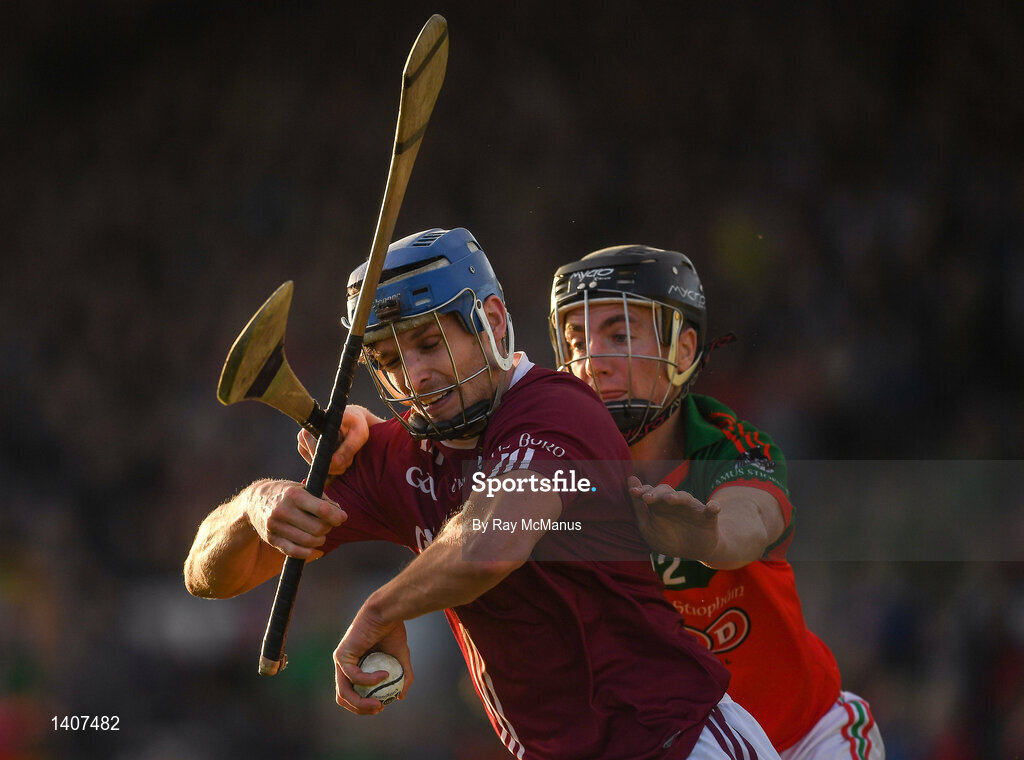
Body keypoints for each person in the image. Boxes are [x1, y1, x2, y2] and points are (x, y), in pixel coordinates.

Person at [185, 227, 780, 760]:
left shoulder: (557, 410)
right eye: (389, 359)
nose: (412, 377)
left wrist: (381, 610)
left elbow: (493, 539)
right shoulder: (397, 455)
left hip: (675, 740)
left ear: (492, 321)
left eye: (427, 344)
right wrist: (258, 506)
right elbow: (209, 577)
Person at [548, 244, 884, 759]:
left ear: (683, 351)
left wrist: (705, 536)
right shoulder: (555, 470)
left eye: (618, 336)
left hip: (808, 738)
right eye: (576, 340)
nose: (592, 362)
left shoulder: (732, 444)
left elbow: (748, 520)